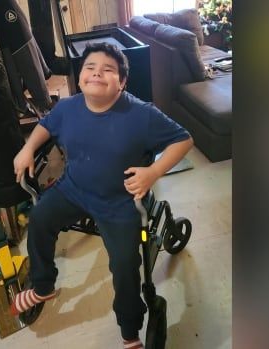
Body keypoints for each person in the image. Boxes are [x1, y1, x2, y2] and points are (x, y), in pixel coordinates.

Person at [12, 42, 193, 349]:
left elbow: (183, 140)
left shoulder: (141, 114)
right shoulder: (68, 107)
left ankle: (129, 328)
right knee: (40, 218)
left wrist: (153, 172)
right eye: (89, 68)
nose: (97, 73)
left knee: (124, 264)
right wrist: (28, 147)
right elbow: (45, 125)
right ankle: (43, 286)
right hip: (74, 189)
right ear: (80, 77)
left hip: (120, 201)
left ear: (122, 82)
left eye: (108, 70)